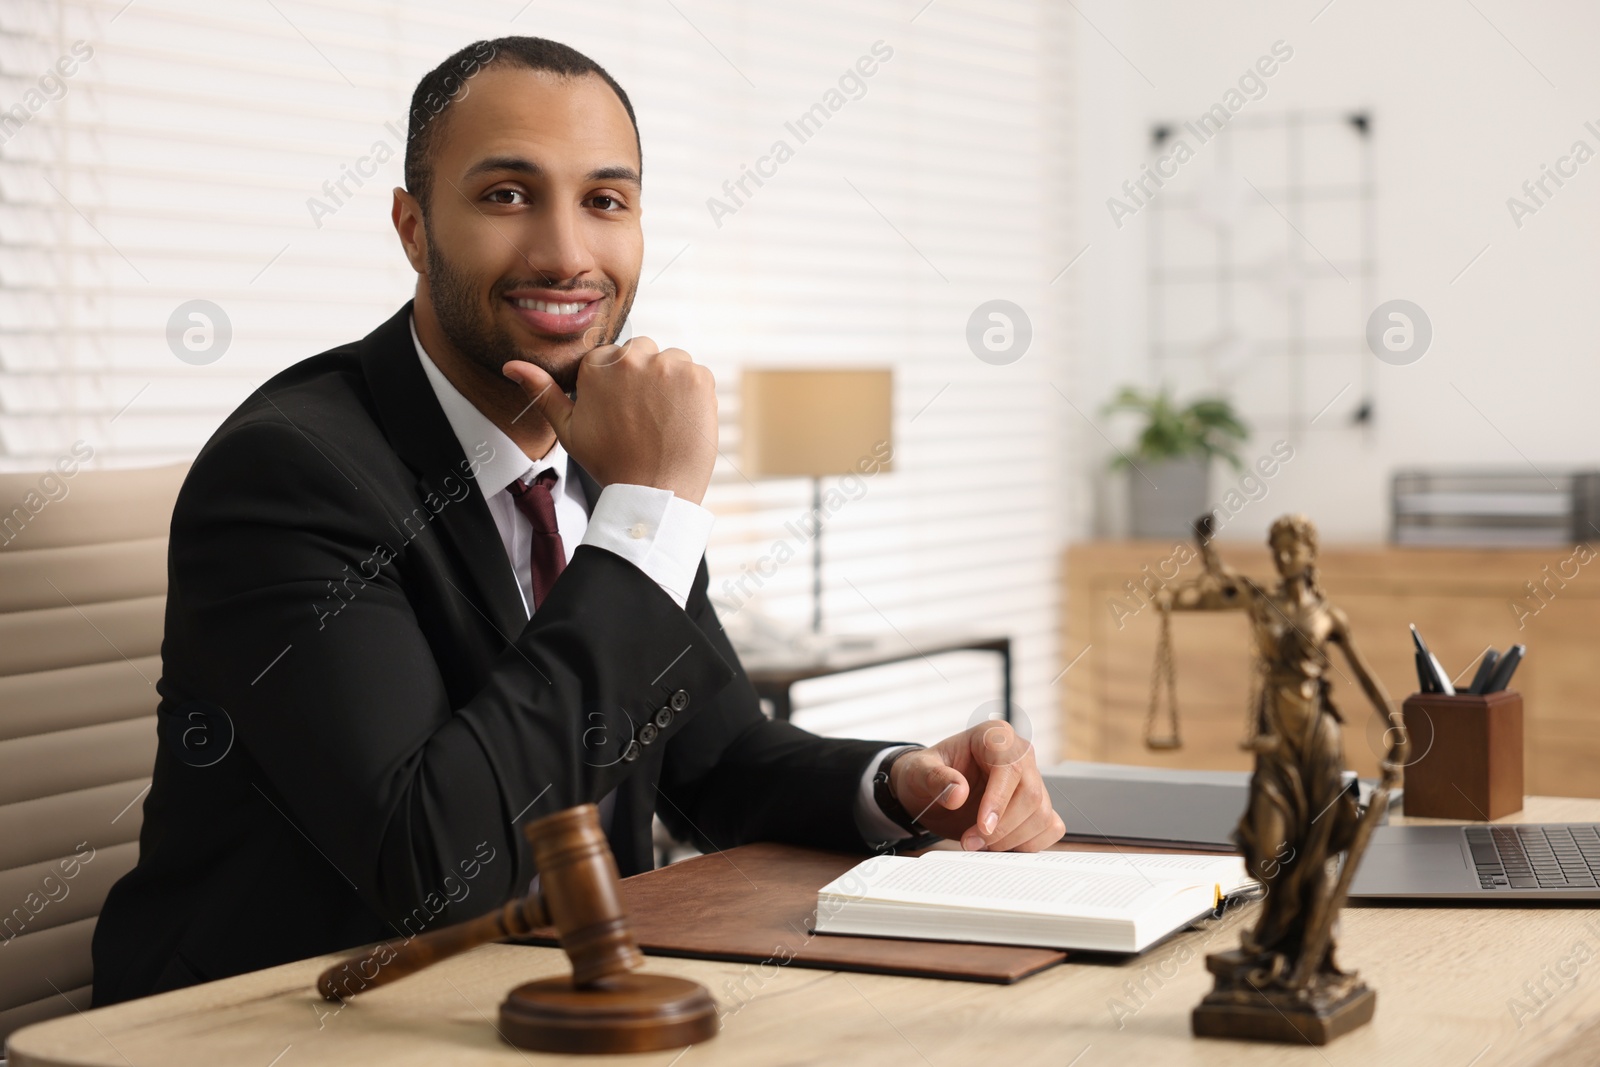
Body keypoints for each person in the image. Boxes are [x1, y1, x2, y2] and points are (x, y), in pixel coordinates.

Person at [90, 36, 1062, 1005]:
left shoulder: (602, 452)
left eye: (605, 201)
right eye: (507, 195)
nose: (565, 253)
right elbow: (435, 866)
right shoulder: (293, 472)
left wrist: (906, 783)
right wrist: (648, 510)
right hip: (279, 1017)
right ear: (413, 228)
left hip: (554, 998)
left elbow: (714, 759)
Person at [1157, 514, 1401, 985]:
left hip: (1317, 739)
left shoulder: (1330, 615)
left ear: (1311, 555)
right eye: (1279, 550)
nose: (1286, 558)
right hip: (1276, 745)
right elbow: (1224, 584)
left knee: (1313, 852)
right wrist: (1204, 547)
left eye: (1295, 549)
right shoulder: (1262, 600)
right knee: (1269, 850)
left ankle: (1305, 952)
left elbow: (1365, 675)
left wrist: (1396, 729)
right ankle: (1278, 939)